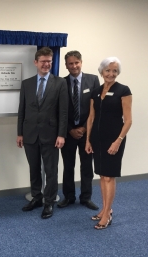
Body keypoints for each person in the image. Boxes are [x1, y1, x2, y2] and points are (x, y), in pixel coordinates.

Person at [17, 47, 68, 219]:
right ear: (36, 62)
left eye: (49, 62)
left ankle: (49, 202)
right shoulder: (27, 83)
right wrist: (20, 133)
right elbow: (21, 110)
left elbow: (63, 112)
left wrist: (61, 134)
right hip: (30, 134)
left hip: (51, 135)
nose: (46, 64)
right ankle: (36, 197)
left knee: (51, 170)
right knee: (34, 169)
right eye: (43, 61)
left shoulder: (60, 83)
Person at [85, 57, 132, 230]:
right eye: (108, 70)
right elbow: (91, 117)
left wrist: (118, 141)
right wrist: (88, 140)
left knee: (109, 176)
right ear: (102, 71)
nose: (111, 74)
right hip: (97, 139)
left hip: (114, 139)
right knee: (102, 175)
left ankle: (107, 213)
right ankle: (105, 208)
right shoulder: (96, 91)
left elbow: (128, 121)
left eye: (115, 71)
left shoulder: (123, 90)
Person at [58, 50, 100, 210]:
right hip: (68, 133)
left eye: (76, 62)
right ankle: (68, 197)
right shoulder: (61, 83)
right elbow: (59, 110)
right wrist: (69, 130)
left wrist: (83, 128)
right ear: (66, 65)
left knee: (87, 166)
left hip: (87, 133)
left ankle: (86, 198)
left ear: (81, 62)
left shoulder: (93, 80)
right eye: (70, 63)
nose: (74, 66)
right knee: (68, 167)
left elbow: (96, 108)